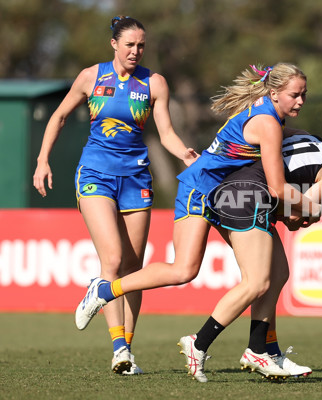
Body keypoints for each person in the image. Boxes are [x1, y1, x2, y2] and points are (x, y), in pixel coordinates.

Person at [73, 62, 322, 376]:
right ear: (274, 93)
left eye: (304, 95)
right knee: (185, 270)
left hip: (221, 193)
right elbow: (276, 186)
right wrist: (312, 205)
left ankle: (263, 350)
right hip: (199, 190)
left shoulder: (270, 115)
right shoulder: (267, 122)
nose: (300, 101)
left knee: (272, 274)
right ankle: (105, 290)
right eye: (295, 95)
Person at [177, 71, 322, 382]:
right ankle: (199, 342)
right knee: (256, 282)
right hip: (246, 196)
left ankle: (260, 350)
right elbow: (294, 212)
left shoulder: (309, 138)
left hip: (234, 191)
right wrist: (314, 212)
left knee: (277, 274)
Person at [32, 16, 198, 375]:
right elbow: (59, 116)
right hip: (94, 175)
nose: (136, 51)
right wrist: (43, 160)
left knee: (132, 268)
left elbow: (165, 131)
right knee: (112, 258)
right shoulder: (91, 77)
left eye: (141, 46)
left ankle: (127, 349)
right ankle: (118, 347)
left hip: (136, 178)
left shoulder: (154, 83)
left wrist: (184, 152)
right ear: (114, 45)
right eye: (129, 45)